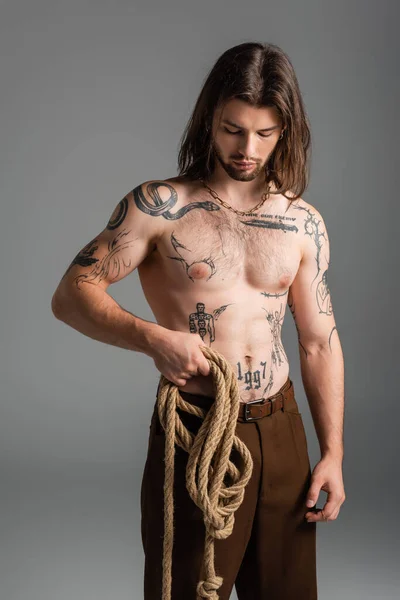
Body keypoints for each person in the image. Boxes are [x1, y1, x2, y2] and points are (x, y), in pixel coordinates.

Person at [52, 41, 345, 599]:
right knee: (187, 590)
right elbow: (71, 295)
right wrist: (153, 339)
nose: (247, 149)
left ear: (286, 131)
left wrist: (332, 453)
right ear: (209, 118)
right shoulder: (158, 206)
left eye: (265, 133)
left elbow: (318, 343)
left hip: (283, 429)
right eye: (233, 129)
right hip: (198, 429)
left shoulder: (303, 222)